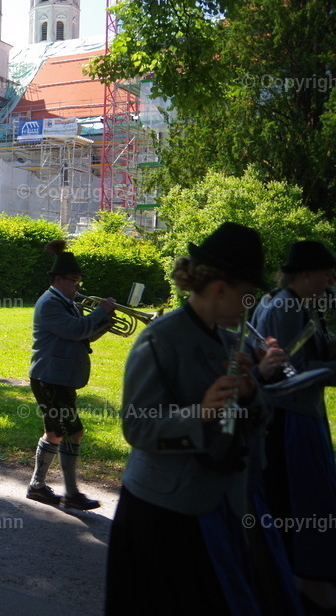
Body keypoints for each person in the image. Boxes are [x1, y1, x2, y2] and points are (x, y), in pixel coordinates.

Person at [105, 222, 302, 614]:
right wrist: (201, 412)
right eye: (248, 296)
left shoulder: (229, 339)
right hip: (163, 513)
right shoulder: (159, 340)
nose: (250, 307)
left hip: (218, 504)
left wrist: (251, 390)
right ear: (220, 288)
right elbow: (138, 427)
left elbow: (252, 420)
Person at [250, 240, 336, 610]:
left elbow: (307, 353)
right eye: (326, 273)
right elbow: (287, 375)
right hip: (290, 422)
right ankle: (296, 583)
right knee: (298, 505)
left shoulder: (291, 302)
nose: (331, 280)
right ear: (305, 275)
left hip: (296, 418)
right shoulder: (286, 306)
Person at [25, 240, 113, 510]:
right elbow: (76, 330)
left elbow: (83, 336)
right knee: (73, 432)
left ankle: (37, 486)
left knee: (55, 433)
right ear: (58, 279)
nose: (77, 286)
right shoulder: (50, 303)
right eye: (74, 281)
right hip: (50, 376)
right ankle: (72, 493)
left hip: (58, 375)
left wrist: (104, 323)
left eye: (78, 281)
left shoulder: (68, 303)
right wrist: (100, 312)